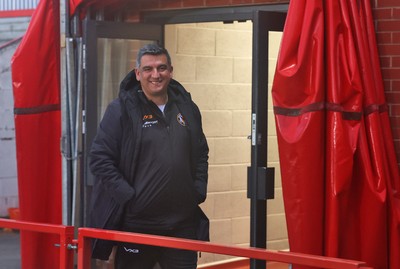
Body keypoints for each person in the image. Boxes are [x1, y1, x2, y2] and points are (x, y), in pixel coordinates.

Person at [88, 43, 209, 269]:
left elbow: (201, 152)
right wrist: (129, 197)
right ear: (137, 73)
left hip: (181, 224)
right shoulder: (122, 109)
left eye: (162, 68)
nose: (156, 75)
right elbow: (99, 158)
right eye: (148, 69)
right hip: (138, 224)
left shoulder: (187, 108)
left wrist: (198, 190)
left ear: (171, 71)